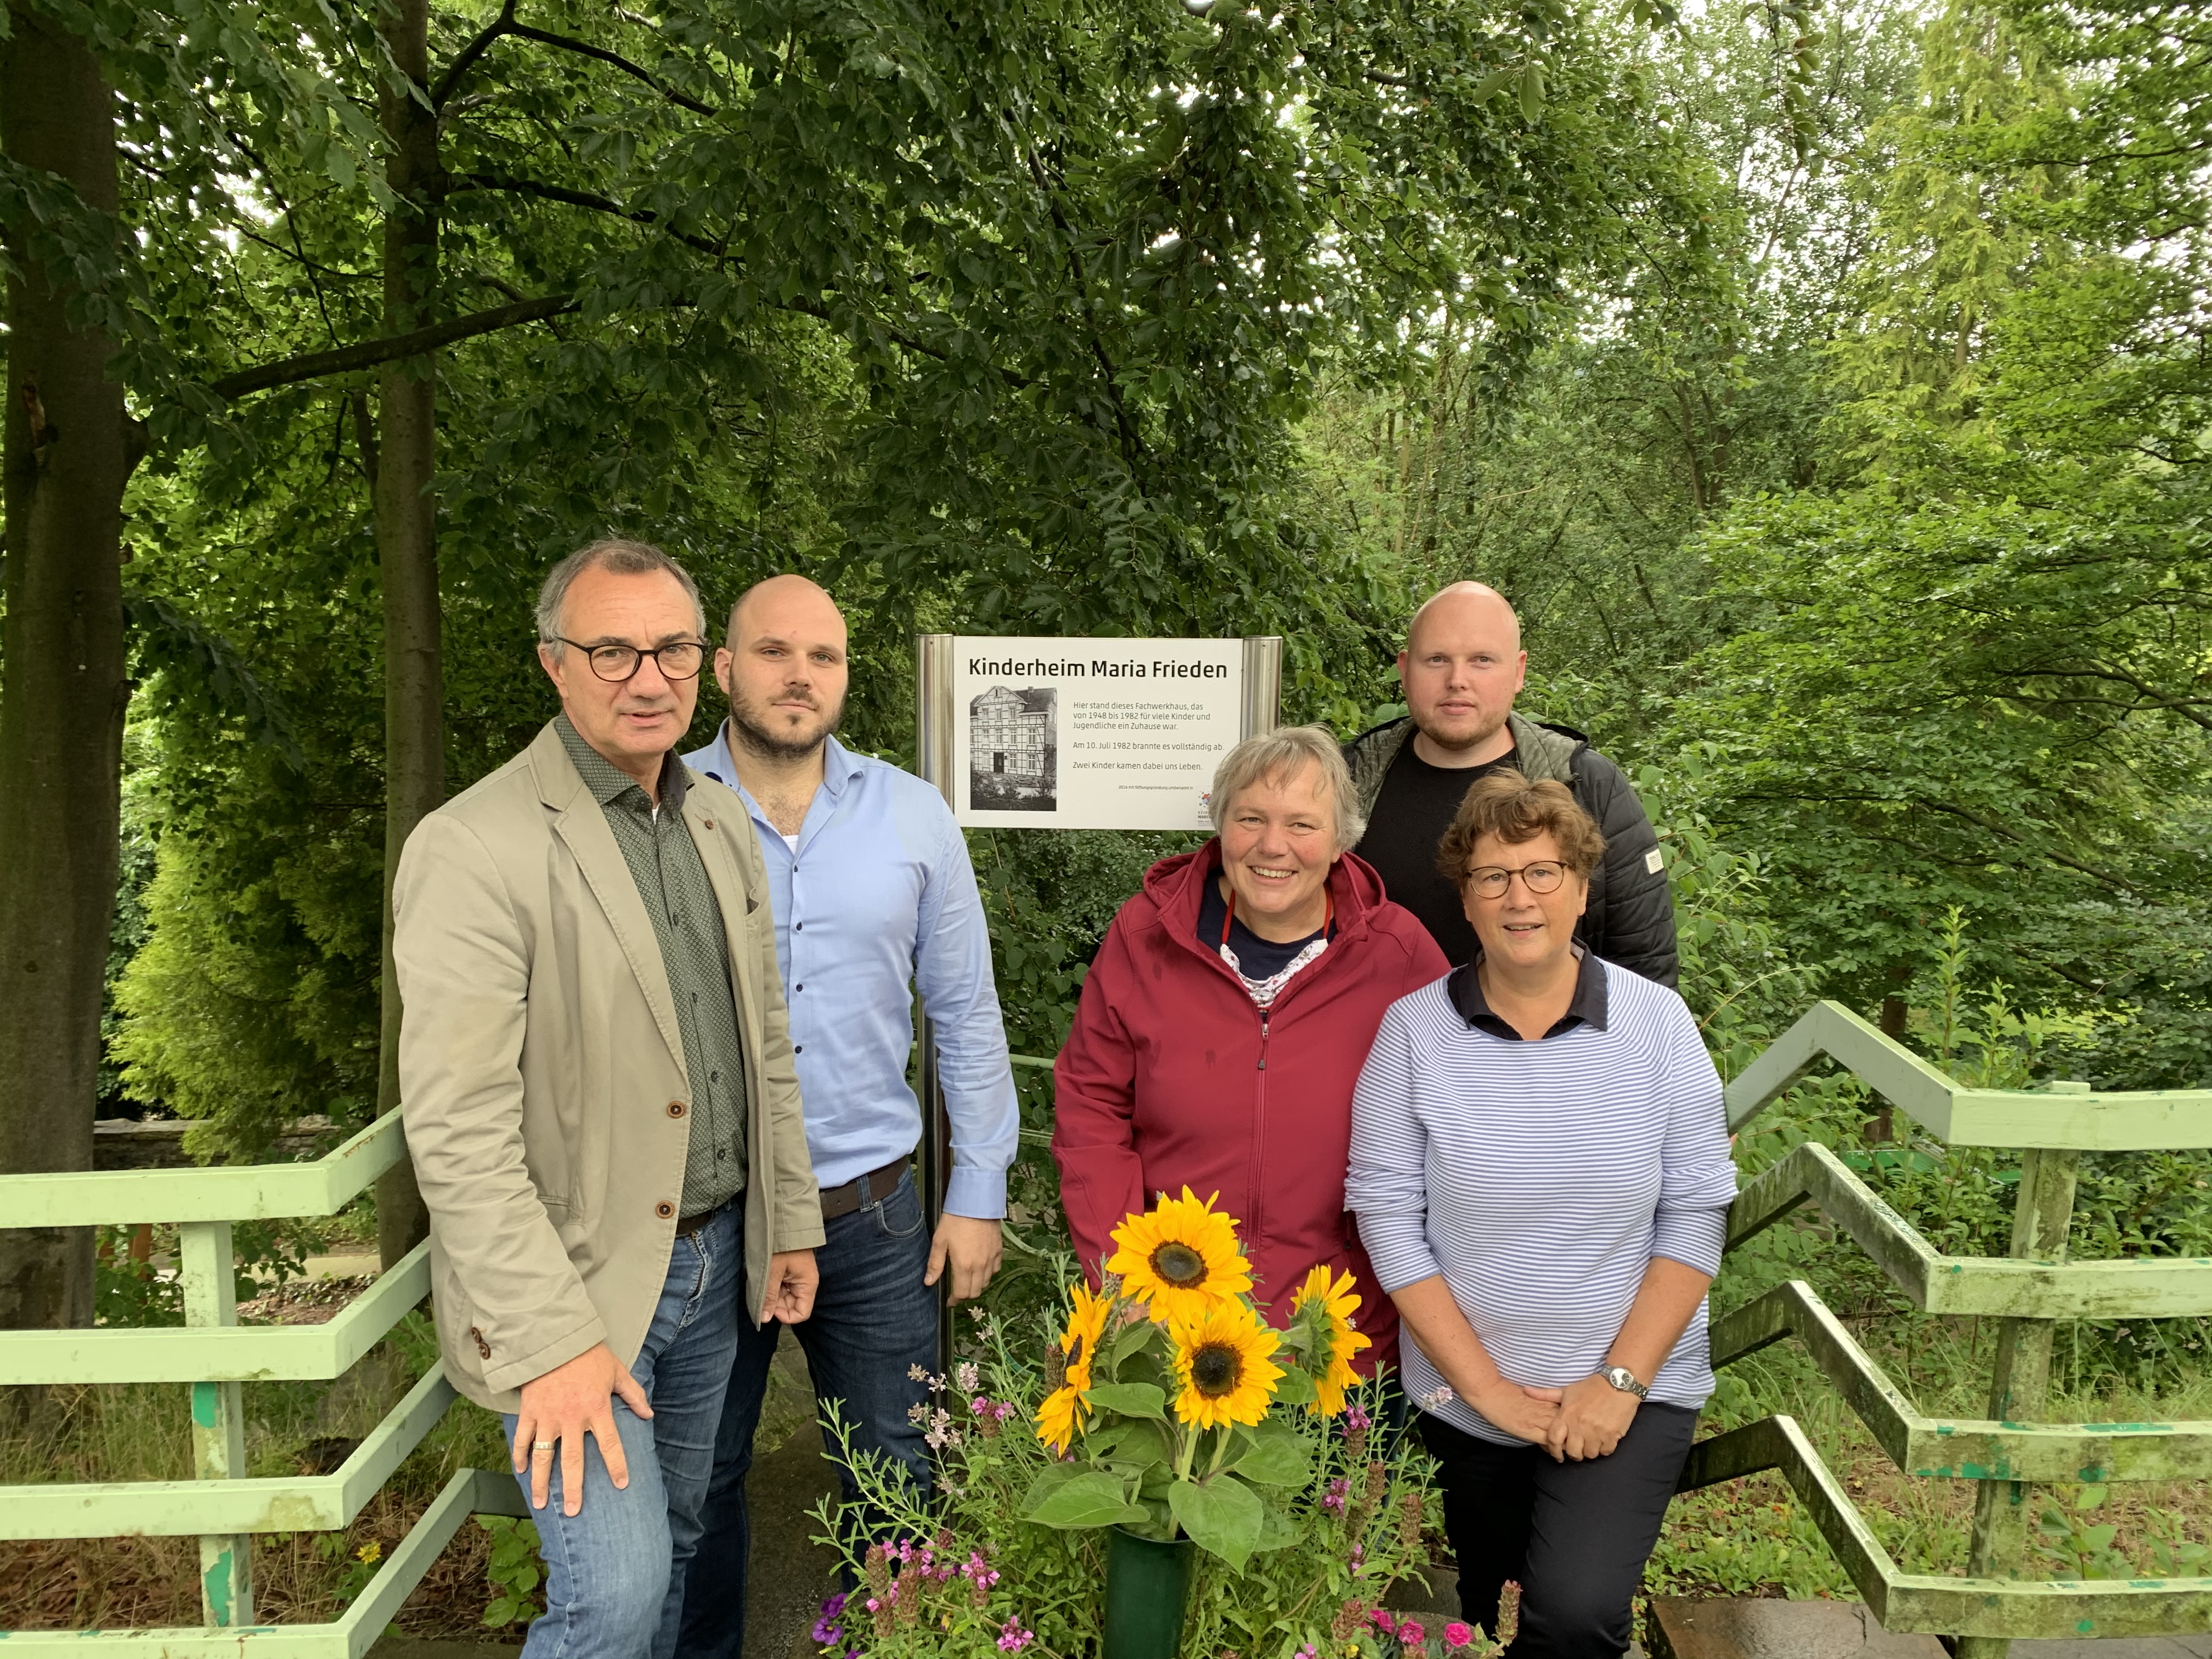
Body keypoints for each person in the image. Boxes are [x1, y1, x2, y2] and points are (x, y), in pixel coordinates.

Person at [394, 538, 824, 1659]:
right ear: (554, 663)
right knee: (616, 1600)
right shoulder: (474, 847)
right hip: (579, 1289)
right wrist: (549, 1345)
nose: (648, 677)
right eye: (613, 650)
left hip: (715, 1261)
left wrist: (787, 1224)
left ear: (703, 660)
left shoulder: (716, 820)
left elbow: (762, 1051)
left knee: (682, 1546)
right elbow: (459, 1132)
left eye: (672, 649)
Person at [675, 575, 1019, 1659]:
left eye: (821, 657)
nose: (798, 676)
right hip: (707, 1218)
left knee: (896, 1479)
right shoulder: (657, 811)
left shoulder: (913, 814)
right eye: (773, 653)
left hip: (874, 1219)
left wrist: (978, 1194)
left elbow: (966, 1017)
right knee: (697, 1489)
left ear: (843, 677)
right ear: (725, 671)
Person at [1346, 771, 1738, 1658]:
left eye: (1541, 870)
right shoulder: (1411, 1032)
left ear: (1582, 884)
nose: (1518, 895)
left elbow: (1694, 1211)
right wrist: (1483, 1388)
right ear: (1466, 894)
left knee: (1573, 1609)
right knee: (1488, 1603)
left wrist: (1619, 1381)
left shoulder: (1659, 1025)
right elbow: (1387, 1219)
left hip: (1629, 1388)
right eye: (1493, 875)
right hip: (1465, 1389)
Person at [1052, 726, 1448, 1366]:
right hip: (1166, 1316)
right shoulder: (1147, 934)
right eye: (1251, 818)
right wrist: (1121, 1277)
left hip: (1334, 1328)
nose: (1273, 846)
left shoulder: (1398, 953)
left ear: (1342, 837)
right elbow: (1091, 1109)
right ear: (1218, 820)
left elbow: (1463, 1115)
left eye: (1302, 824)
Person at [1343, 582, 1678, 984]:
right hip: (1377, 1043)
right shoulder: (1348, 781)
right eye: (1436, 659)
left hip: (1544, 1044)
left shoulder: (1587, 787)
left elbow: (1645, 965)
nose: (1457, 680)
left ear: (1518, 672)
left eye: (1482, 660)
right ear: (1404, 668)